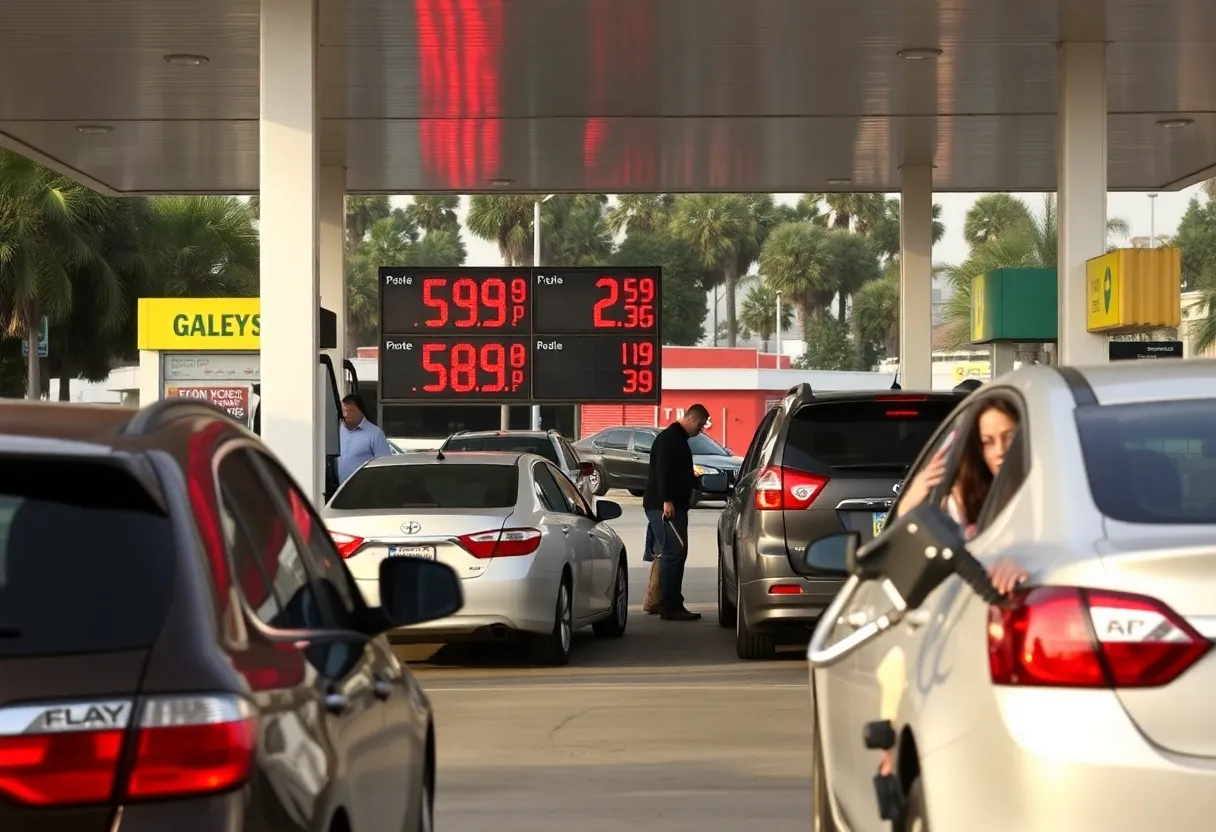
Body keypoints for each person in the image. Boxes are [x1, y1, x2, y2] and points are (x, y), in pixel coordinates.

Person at [897, 397, 1028, 595]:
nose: (1000, 451)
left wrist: (1021, 562)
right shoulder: (966, 500)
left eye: (1010, 437)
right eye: (988, 442)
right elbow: (912, 533)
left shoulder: (1047, 494)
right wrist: (915, 494)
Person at [643, 405, 710, 621]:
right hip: (666, 507)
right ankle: (671, 604)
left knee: (671, 552)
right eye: (700, 425)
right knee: (675, 552)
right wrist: (668, 500)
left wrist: (695, 482)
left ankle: (660, 600)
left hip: (672, 505)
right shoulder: (671, 439)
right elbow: (664, 471)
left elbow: (676, 472)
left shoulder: (676, 439)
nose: (700, 430)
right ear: (691, 418)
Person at [337, 393, 392, 484]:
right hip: (337, 491)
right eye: (343, 410)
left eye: (350, 411)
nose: (345, 415)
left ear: (361, 411)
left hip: (363, 490)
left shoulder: (375, 433)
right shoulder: (336, 430)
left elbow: (385, 465)